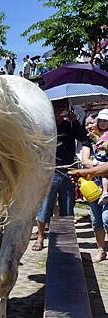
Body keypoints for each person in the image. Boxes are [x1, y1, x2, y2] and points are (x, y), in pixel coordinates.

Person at [33, 100, 89, 251]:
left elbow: (84, 139)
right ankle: (40, 237)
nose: (59, 112)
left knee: (67, 208)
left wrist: (75, 122)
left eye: (62, 109)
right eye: (56, 108)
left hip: (67, 172)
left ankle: (68, 239)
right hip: (50, 171)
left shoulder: (70, 125)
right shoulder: (46, 127)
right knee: (44, 207)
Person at [80, 112, 108, 262]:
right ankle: (101, 250)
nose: (89, 126)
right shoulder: (87, 141)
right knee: (96, 220)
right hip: (93, 185)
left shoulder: (106, 138)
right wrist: (99, 166)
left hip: (107, 183)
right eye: (86, 124)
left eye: (92, 122)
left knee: (106, 218)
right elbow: (85, 161)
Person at [87, 109, 108, 205]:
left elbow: (104, 144)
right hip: (102, 158)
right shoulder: (101, 134)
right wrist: (93, 137)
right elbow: (99, 141)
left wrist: (105, 146)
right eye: (100, 121)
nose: (102, 123)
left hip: (105, 160)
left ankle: (104, 192)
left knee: (104, 174)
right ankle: (103, 191)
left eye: (105, 121)